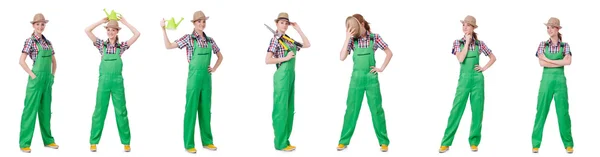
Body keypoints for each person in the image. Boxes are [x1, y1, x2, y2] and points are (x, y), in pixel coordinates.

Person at [160, 10, 223, 154]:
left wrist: (214, 68)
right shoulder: (189, 39)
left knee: (206, 110)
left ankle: (207, 141)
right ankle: (189, 144)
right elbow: (168, 46)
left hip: (207, 79)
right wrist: (163, 29)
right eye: (199, 21)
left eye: (203, 21)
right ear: (194, 24)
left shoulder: (210, 40)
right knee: (191, 110)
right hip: (194, 79)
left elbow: (220, 56)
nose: (202, 24)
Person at [438, 15, 496, 153]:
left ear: (472, 27)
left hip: (477, 79)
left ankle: (474, 141)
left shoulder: (480, 44)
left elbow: (493, 57)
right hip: (464, 79)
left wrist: (483, 68)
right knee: (456, 110)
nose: (465, 27)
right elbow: (460, 58)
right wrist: (468, 41)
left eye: (467, 25)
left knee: (477, 111)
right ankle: (446, 142)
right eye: (463, 25)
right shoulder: (458, 43)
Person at [336, 14, 393, 152]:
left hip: (371, 78)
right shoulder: (352, 40)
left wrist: (381, 68)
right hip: (356, 79)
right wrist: (347, 38)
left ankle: (383, 142)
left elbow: (389, 53)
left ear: (362, 23)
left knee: (377, 110)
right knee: (351, 110)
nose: (353, 29)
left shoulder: (375, 37)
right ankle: (343, 141)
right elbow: (342, 57)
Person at [84, 15, 140, 152]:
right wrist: (101, 21)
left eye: (113, 30)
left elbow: (137, 34)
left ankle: (126, 142)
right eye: (108, 30)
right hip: (103, 82)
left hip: (117, 83)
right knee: (99, 112)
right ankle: (93, 141)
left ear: (117, 32)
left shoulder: (121, 47)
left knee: (121, 112)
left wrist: (125, 22)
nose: (110, 32)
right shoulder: (101, 45)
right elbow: (87, 30)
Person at [265, 12, 311, 152]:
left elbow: (307, 45)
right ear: (277, 24)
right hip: (281, 76)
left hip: (291, 76)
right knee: (280, 110)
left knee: (289, 109)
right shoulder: (275, 40)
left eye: (286, 23)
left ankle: (285, 140)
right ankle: (280, 143)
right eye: (281, 23)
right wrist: (285, 58)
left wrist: (298, 29)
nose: (284, 25)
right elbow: (267, 60)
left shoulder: (288, 39)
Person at [531, 17, 574, 154]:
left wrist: (548, 60)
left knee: (563, 113)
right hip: (546, 81)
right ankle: (535, 143)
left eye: (551, 27)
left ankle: (568, 144)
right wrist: (559, 61)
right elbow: (541, 63)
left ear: (557, 29)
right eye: (547, 27)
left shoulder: (565, 45)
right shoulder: (543, 44)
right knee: (541, 111)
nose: (549, 29)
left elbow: (568, 62)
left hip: (560, 82)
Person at [18, 13, 59, 153]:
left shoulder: (48, 42)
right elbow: (21, 61)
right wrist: (32, 75)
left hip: (47, 80)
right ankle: (24, 143)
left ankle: (48, 140)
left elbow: (54, 61)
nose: (40, 26)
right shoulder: (30, 41)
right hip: (36, 80)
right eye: (38, 24)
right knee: (30, 110)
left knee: (46, 111)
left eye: (42, 24)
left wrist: (52, 76)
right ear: (33, 25)